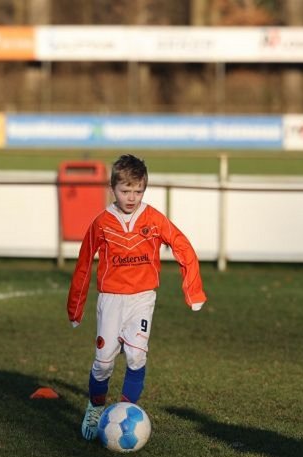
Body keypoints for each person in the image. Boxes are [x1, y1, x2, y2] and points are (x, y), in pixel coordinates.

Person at [67, 153, 207, 441]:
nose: (132, 197)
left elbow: (182, 246)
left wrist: (193, 291)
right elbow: (84, 263)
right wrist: (75, 308)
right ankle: (95, 407)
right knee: (103, 362)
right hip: (111, 299)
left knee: (136, 356)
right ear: (112, 189)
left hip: (142, 298)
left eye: (138, 191)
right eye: (125, 190)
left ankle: (125, 411)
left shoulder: (153, 219)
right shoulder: (102, 222)